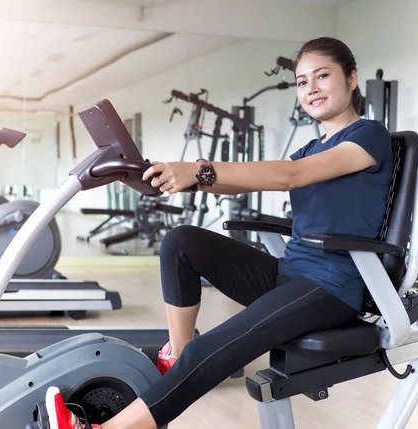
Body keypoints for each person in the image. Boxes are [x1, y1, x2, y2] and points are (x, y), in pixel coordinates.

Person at [43, 36, 394, 429]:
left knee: (214, 345)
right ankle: (177, 355)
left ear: (351, 79)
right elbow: (248, 182)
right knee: (181, 241)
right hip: (291, 274)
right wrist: (181, 177)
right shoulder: (311, 147)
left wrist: (200, 171)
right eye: (301, 81)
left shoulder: (369, 135)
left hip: (333, 287)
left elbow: (289, 177)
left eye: (322, 76)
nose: (310, 88)